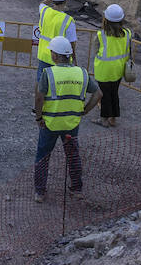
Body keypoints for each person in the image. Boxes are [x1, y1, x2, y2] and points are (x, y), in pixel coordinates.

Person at [33, 36, 100, 202]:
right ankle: (77, 189)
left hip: (50, 123)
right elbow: (98, 93)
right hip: (72, 123)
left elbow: (39, 98)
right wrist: (85, 110)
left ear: (55, 55)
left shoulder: (48, 73)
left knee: (43, 156)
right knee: (73, 155)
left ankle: (40, 193)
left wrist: (39, 117)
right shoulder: (82, 73)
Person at [92, 3, 133, 128]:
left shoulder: (101, 35)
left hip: (103, 70)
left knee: (104, 95)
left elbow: (96, 50)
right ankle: (113, 118)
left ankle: (104, 119)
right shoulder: (128, 33)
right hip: (119, 70)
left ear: (106, 19)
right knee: (114, 92)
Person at [35, 0, 77, 95]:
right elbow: (72, 43)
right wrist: (74, 59)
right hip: (60, 57)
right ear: (66, 1)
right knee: (57, 84)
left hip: (44, 53)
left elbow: (42, 3)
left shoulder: (45, 11)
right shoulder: (68, 20)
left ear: (53, 0)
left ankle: (37, 108)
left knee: (41, 81)